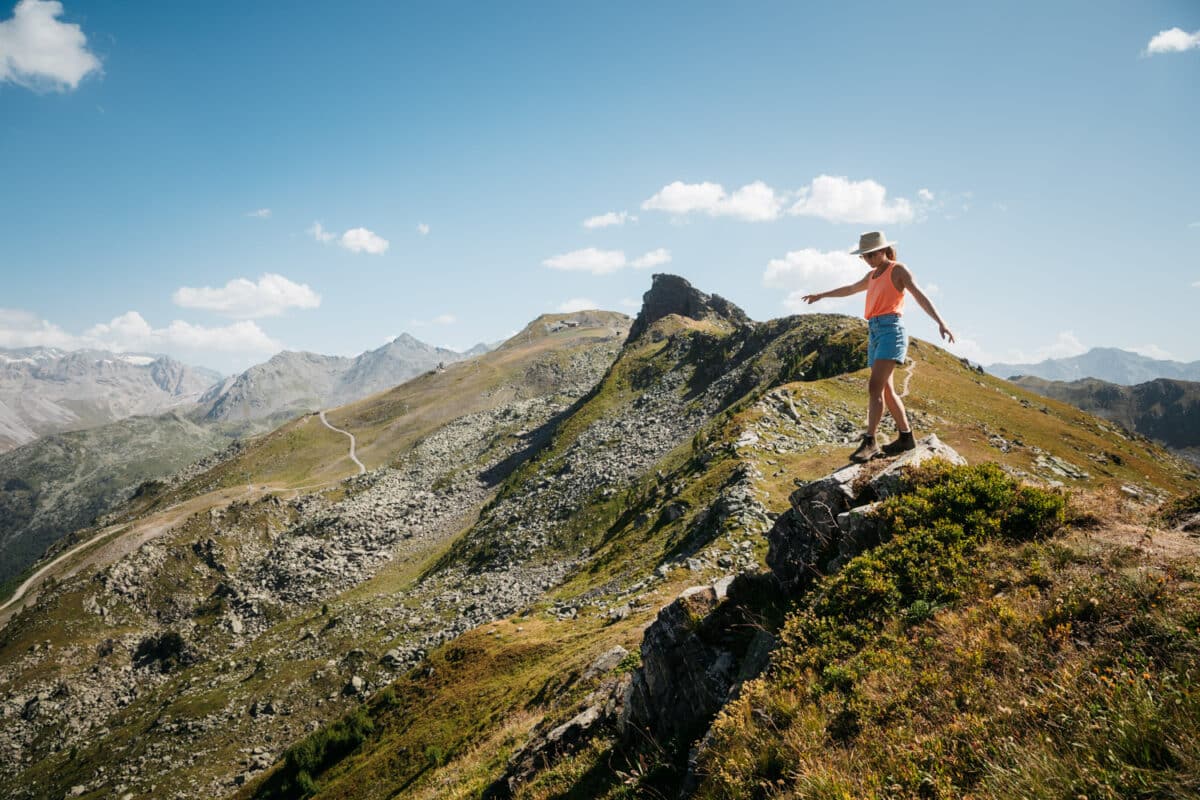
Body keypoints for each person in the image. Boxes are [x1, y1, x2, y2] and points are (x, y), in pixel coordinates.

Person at [801, 231, 954, 462]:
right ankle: (906, 436)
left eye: (872, 254)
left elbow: (919, 295)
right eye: (865, 256)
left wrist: (941, 322)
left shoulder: (897, 270)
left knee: (874, 387)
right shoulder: (872, 275)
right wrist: (822, 295)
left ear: (884, 250)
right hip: (874, 331)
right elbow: (851, 289)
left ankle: (870, 441)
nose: (869, 259)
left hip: (891, 329)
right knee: (885, 390)